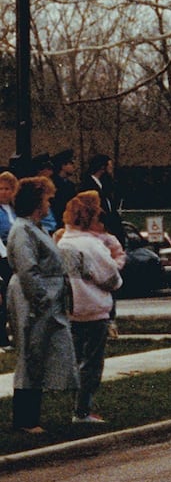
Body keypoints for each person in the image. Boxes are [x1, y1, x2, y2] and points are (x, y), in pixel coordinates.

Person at [6, 176, 77, 434]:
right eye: (47, 198)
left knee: (42, 354)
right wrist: (41, 300)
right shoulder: (22, 230)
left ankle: (33, 416)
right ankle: (26, 419)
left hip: (48, 299)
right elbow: (28, 269)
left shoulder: (36, 228)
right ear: (37, 201)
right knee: (30, 354)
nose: (50, 203)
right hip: (33, 299)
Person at [57, 194, 121, 424]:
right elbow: (111, 277)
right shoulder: (92, 245)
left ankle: (77, 404)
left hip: (71, 308)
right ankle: (83, 409)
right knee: (92, 363)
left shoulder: (63, 242)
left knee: (76, 359)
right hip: (94, 308)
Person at [86, 154, 125, 246]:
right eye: (109, 167)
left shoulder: (104, 186)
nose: (111, 170)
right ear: (102, 168)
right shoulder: (89, 186)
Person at [0, 171, 17, 347]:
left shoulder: (15, 210)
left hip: (17, 257)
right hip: (2, 258)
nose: (4, 192)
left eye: (8, 189)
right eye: (1, 189)